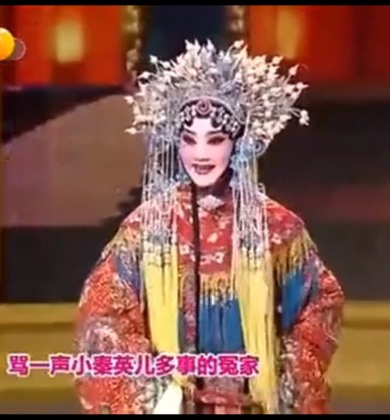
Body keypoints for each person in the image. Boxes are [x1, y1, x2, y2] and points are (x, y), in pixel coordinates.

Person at [74, 40, 345, 414]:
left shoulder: (277, 228)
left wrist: (285, 376)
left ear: (238, 143)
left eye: (215, 140)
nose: (200, 154)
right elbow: (103, 318)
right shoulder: (145, 230)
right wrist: (154, 394)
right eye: (189, 140)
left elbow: (320, 305)